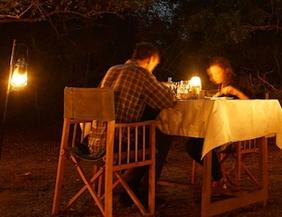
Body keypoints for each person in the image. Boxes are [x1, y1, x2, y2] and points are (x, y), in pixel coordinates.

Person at [87, 42, 176, 201]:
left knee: (147, 133)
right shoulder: (142, 74)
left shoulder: (113, 69)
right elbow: (167, 100)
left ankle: (130, 186)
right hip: (115, 144)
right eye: (155, 64)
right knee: (162, 134)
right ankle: (141, 193)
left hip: (94, 142)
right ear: (150, 59)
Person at [185, 56, 251, 189]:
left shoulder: (240, 83)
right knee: (192, 143)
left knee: (199, 143)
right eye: (211, 74)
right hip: (217, 127)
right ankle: (218, 177)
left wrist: (234, 92)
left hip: (235, 131)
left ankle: (218, 178)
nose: (212, 77)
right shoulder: (219, 87)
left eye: (216, 73)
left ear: (226, 71)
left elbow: (252, 105)